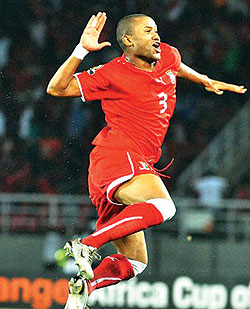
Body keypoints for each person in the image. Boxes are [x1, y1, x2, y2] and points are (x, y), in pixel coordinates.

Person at [47, 12, 247, 309]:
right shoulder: (112, 73)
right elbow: (56, 88)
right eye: (148, 31)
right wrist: (81, 50)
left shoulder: (167, 54)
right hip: (117, 155)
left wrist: (202, 79)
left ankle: (85, 287)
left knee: (135, 263)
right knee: (163, 206)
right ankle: (87, 244)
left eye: (156, 29)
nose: (156, 36)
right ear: (128, 40)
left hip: (130, 165)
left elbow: (175, 66)